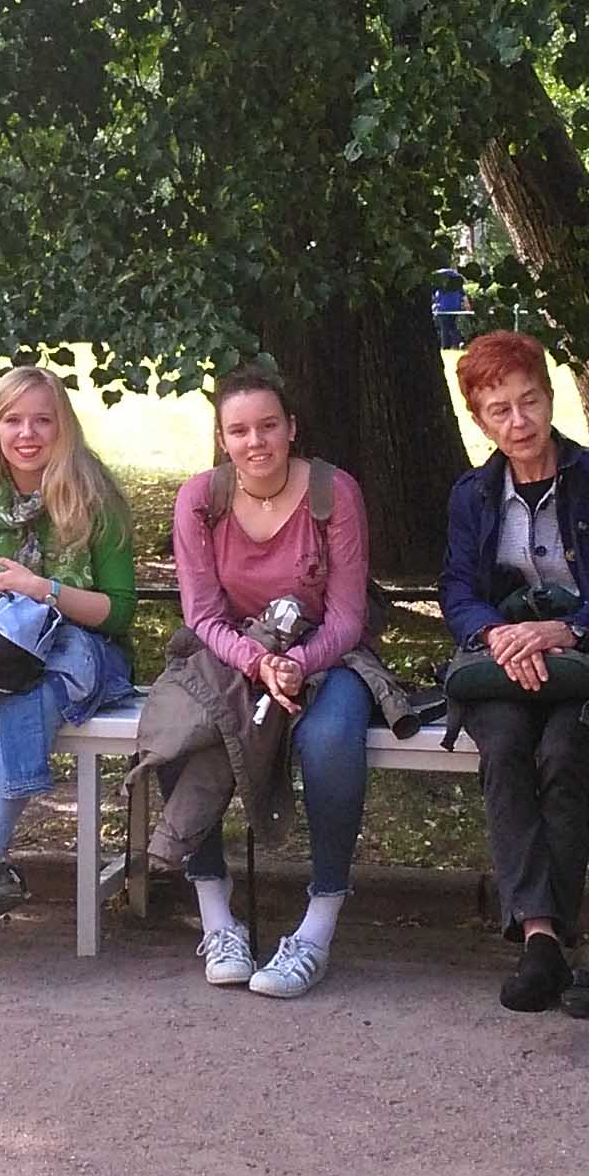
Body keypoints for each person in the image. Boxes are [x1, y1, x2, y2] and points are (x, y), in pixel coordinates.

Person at [148, 362, 405, 1000]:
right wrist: (258, 662)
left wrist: (298, 663)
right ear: (222, 439)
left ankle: (318, 925)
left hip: (327, 654)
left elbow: (346, 617)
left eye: (267, 426)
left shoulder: (334, 492)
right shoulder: (199, 499)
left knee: (329, 740)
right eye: (239, 431)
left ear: (291, 427)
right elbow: (202, 615)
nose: (255, 441)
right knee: (181, 727)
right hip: (232, 650)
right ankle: (217, 918)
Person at [439, 331, 589, 1021]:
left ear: (550, 396)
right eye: (499, 410)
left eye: (529, 400)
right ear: (480, 420)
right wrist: (498, 635)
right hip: (504, 664)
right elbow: (457, 590)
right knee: (505, 747)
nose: (519, 421)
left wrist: (567, 629)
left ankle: (546, 944)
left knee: (564, 750)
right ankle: (544, 939)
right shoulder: (472, 495)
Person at [0, 365, 138, 925]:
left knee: (31, 691)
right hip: (8, 643)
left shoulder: (96, 498)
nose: (27, 434)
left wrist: (43, 589)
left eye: (42, 420)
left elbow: (119, 612)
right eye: (13, 421)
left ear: (63, 427)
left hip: (84, 646)